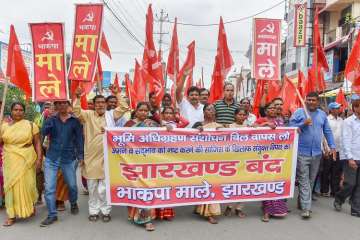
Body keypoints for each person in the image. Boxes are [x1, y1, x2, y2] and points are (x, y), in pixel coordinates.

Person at [73, 86, 128, 223]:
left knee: (104, 188)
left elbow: (124, 107)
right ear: (94, 105)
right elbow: (76, 111)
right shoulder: (87, 115)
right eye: (97, 103)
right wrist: (78, 98)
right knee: (92, 187)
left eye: (102, 103)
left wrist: (117, 94)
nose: (100, 105)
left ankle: (105, 211)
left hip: (107, 156)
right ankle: (93, 211)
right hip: (91, 156)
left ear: (106, 104)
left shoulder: (111, 115)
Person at [289, 92, 336, 219]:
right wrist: (303, 123)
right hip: (301, 153)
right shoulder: (299, 112)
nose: (310, 102)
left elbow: (327, 130)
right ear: (305, 100)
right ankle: (306, 208)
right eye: (308, 100)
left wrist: (332, 146)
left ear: (318, 102)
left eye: (313, 100)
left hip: (316, 153)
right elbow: (290, 127)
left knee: (310, 180)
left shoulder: (322, 115)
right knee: (304, 180)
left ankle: (302, 199)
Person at [40, 100, 84, 227]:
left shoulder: (75, 121)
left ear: (68, 105)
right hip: (52, 158)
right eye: (58, 104)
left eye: (64, 103)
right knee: (49, 188)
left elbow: (79, 140)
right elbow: (44, 132)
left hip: (68, 158)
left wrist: (80, 156)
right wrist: (49, 118)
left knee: (72, 185)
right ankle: (52, 215)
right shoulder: (52, 120)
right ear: (56, 106)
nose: (62, 106)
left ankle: (73, 202)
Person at [1, 102, 42, 226]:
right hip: (10, 158)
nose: (18, 112)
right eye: (15, 109)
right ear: (11, 111)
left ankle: (29, 206)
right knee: (10, 187)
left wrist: (39, 159)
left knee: (28, 185)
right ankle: (11, 215)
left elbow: (37, 143)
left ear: (24, 112)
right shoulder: (3, 126)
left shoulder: (31, 125)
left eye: (20, 110)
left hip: (27, 158)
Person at [125, 102, 158, 231]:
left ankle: (147, 219)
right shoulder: (129, 124)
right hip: (133, 161)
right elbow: (119, 138)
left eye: (146, 111)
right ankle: (136, 216)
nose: (144, 113)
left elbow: (162, 137)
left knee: (148, 188)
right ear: (136, 110)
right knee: (136, 188)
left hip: (149, 160)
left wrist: (168, 128)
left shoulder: (153, 124)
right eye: (141, 110)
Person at [254, 102, 288, 222]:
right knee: (267, 182)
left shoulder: (280, 121)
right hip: (264, 156)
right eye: (270, 108)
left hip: (278, 155)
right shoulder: (261, 120)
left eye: (274, 108)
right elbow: (252, 129)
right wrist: (266, 124)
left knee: (277, 181)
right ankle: (267, 211)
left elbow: (286, 134)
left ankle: (278, 208)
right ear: (266, 110)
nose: (273, 110)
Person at [193, 103, 223, 224]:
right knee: (202, 185)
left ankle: (209, 212)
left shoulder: (219, 127)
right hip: (200, 160)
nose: (211, 111)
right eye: (208, 109)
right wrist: (196, 131)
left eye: (213, 110)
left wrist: (222, 132)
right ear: (204, 112)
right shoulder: (197, 125)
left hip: (215, 161)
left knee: (211, 185)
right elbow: (186, 139)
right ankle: (199, 208)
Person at [334, 94, 360, 217]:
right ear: (354, 108)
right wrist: (350, 158)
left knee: (359, 185)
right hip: (352, 157)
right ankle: (339, 198)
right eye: (358, 107)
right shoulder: (348, 122)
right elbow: (345, 140)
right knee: (350, 183)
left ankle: (355, 209)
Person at [223, 107, 249, 218]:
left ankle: (239, 208)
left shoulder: (249, 128)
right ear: (235, 116)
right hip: (232, 161)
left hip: (245, 161)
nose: (242, 117)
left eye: (244, 115)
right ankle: (229, 205)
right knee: (231, 184)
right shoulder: (229, 127)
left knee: (245, 185)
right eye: (240, 115)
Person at [321, 102, 343, 197]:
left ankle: (335, 190)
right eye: (336, 108)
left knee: (336, 171)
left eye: (339, 108)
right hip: (329, 149)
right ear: (331, 109)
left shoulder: (341, 120)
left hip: (339, 149)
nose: (338, 109)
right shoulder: (327, 119)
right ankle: (324, 190)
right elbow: (323, 135)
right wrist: (325, 148)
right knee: (326, 170)